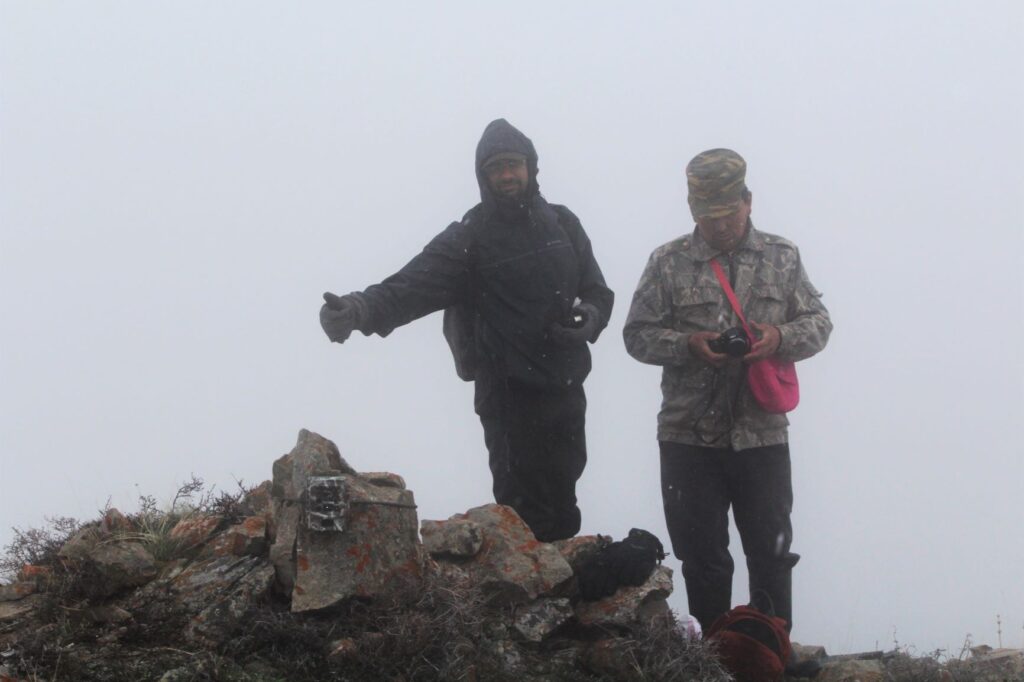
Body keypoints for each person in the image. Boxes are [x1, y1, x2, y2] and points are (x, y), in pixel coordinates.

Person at [319, 119, 614, 543]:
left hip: (565, 388)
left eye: (513, 164)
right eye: (496, 168)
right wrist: (357, 309)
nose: (507, 175)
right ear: (483, 176)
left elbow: (597, 290)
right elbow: (409, 287)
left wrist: (590, 316)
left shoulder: (563, 225)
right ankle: (530, 601)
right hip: (508, 397)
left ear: (531, 168)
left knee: (564, 502)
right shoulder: (469, 238)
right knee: (520, 516)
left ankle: (561, 602)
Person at [622, 148, 832, 632]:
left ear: (749, 201)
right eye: (707, 215)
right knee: (703, 559)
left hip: (762, 435)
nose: (719, 226)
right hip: (687, 437)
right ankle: (712, 661)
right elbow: (636, 335)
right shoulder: (667, 262)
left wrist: (778, 338)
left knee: (771, 554)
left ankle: (769, 656)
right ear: (692, 210)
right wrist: (688, 345)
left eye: (728, 212)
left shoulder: (783, 256)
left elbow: (819, 324)